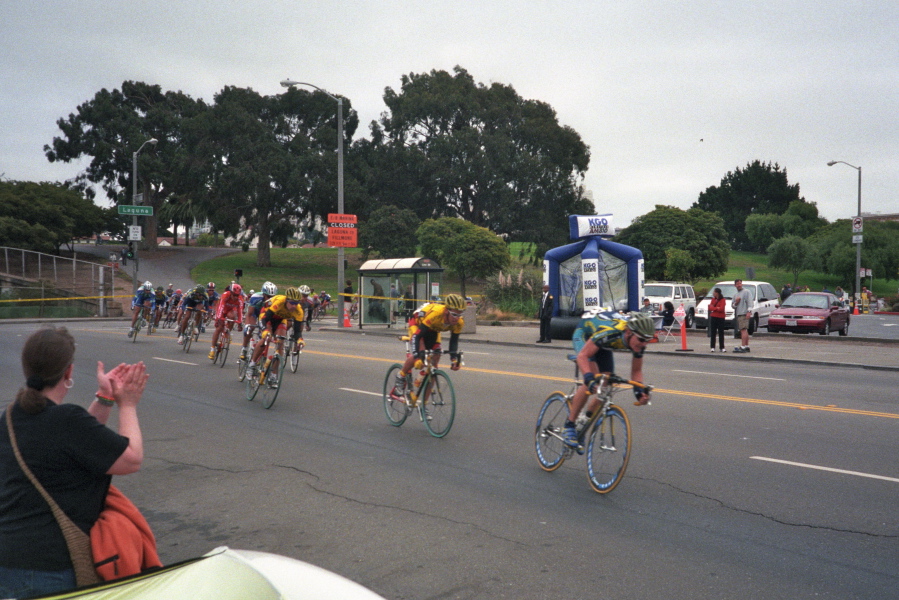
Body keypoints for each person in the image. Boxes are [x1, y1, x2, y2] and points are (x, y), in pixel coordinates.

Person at [0, 327, 147, 598]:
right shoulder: (65, 420)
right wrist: (127, 404)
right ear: (68, 372)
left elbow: (81, 444)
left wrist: (105, 396)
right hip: (49, 567)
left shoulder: (9, 417)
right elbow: (131, 460)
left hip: (8, 560)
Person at [561, 310, 655, 450]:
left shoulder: (637, 344)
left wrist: (639, 391)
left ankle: (583, 423)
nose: (643, 344)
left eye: (647, 341)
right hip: (585, 335)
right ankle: (569, 425)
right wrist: (588, 378)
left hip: (603, 344)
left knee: (604, 386)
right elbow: (583, 356)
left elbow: (636, 371)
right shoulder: (611, 332)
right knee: (592, 382)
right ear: (629, 332)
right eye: (641, 339)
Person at [389, 294, 466, 400]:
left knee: (435, 362)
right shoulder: (436, 314)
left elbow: (454, 341)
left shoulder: (459, 322)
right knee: (421, 355)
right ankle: (401, 376)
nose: (456, 318)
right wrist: (417, 355)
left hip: (434, 329)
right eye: (454, 314)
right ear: (446, 311)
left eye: (460, 314)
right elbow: (418, 336)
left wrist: (453, 359)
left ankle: (423, 406)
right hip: (417, 324)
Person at [246, 287, 306, 385]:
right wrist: (265, 331)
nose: (294, 306)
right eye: (292, 303)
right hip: (267, 315)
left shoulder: (299, 310)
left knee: (280, 343)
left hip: (281, 319)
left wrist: (299, 339)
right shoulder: (279, 302)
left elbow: (297, 331)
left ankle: (273, 375)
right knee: (266, 338)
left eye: (296, 303)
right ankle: (252, 364)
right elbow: (264, 319)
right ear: (286, 300)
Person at [239, 281, 277, 360]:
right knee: (250, 329)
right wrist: (247, 325)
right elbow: (249, 314)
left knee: (265, 335)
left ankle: (259, 356)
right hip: (255, 313)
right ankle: (244, 348)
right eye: (268, 296)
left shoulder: (276, 300)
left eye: (272, 296)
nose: (270, 299)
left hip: (266, 316)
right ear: (263, 294)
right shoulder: (256, 297)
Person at [208, 283, 244, 360]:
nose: (235, 297)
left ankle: (227, 332)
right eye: (234, 295)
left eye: (237, 296)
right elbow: (220, 307)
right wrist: (218, 318)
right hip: (222, 309)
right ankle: (212, 349)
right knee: (219, 328)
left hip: (230, 310)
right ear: (230, 292)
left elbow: (240, 311)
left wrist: (240, 323)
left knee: (233, 317)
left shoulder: (240, 299)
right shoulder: (225, 295)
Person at [731, 279, 753, 353]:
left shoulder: (746, 292)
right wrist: (736, 302)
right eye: (737, 284)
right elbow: (733, 306)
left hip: (744, 313)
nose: (739, 285)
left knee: (743, 330)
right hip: (739, 313)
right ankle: (746, 346)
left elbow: (750, 302)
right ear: (735, 285)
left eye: (740, 283)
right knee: (744, 330)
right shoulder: (735, 295)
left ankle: (743, 346)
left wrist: (749, 311)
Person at [708, 287, 727, 352]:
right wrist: (716, 308)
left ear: (717, 293)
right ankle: (712, 347)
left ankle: (722, 347)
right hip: (713, 317)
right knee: (713, 332)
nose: (713, 293)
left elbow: (721, 309)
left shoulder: (723, 300)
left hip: (721, 317)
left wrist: (714, 308)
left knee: (721, 332)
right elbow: (710, 307)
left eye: (714, 292)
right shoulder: (713, 299)